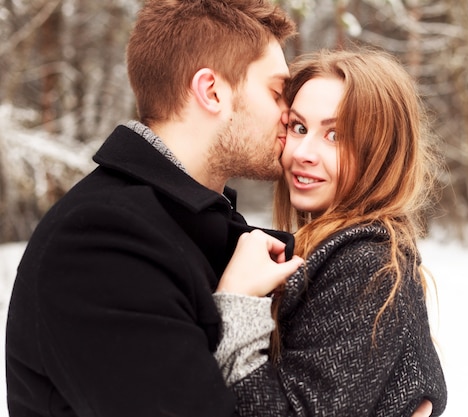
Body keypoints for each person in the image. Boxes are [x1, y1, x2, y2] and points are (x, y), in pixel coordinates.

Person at [4, 0, 303, 415]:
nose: (290, 115)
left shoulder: (198, 226)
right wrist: (235, 310)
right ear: (211, 91)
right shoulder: (98, 242)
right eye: (276, 92)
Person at [212, 49, 448, 416]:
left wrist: (236, 306)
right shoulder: (341, 252)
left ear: (382, 153)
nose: (303, 152)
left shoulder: (368, 265)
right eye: (299, 127)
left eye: (335, 135)